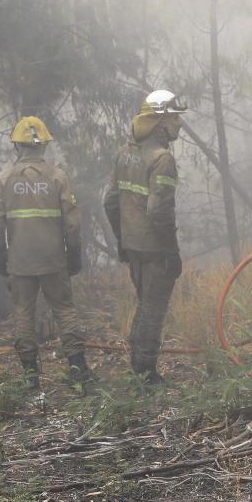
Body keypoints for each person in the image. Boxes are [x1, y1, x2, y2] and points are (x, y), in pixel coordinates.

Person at [0, 116, 93, 390]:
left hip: (20, 261)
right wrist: (74, 255)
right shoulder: (57, 177)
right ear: (43, 144)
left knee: (23, 312)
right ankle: (78, 368)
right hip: (53, 259)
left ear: (17, 145)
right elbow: (72, 224)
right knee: (64, 309)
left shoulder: (5, 179)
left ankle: (30, 376)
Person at [104, 90, 186, 384]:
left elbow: (110, 201)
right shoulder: (162, 159)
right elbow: (159, 212)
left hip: (132, 245)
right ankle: (146, 373)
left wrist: (121, 240)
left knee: (144, 302)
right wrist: (171, 252)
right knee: (153, 309)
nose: (178, 123)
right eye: (174, 118)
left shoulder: (124, 153)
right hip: (154, 248)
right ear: (158, 121)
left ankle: (137, 365)